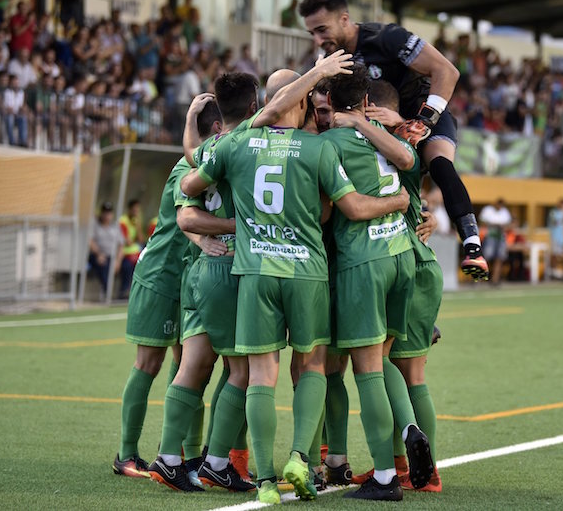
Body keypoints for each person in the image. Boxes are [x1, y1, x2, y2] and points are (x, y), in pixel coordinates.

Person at [181, 53, 412, 504]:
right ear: (303, 101)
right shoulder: (320, 148)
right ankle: (300, 458)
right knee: (312, 366)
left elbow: (191, 187)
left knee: (260, 375)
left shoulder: (239, 142)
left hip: (256, 271)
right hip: (307, 271)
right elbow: (340, 208)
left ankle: (265, 480)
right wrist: (400, 202)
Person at [299, 0, 489, 281]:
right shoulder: (330, 60)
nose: (318, 39)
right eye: (312, 33)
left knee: (439, 164)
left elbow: (446, 71)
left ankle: (472, 244)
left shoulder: (386, 37)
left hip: (422, 114)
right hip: (377, 126)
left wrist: (421, 121)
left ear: (345, 19)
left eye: (322, 29)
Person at [321, 65, 434, 501]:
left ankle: (385, 477)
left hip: (362, 260)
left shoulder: (327, 142)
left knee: (365, 369)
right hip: (401, 255)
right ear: (367, 102)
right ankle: (408, 428)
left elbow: (341, 209)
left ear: (330, 105)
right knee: (383, 358)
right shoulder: (382, 134)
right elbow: (408, 160)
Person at [112, 97, 234, 481]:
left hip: (190, 276)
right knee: (148, 364)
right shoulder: (190, 165)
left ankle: (188, 455)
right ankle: (127, 454)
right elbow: (186, 221)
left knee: (190, 366)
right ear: (218, 130)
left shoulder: (212, 163)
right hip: (161, 274)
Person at [148, 81, 259, 493]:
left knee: (193, 366)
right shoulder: (244, 149)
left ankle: (170, 458)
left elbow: (188, 212)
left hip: (199, 271)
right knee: (243, 370)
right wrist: (238, 226)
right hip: (225, 270)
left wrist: (187, 130)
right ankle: (215, 461)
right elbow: (187, 221)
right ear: (251, 106)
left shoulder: (199, 156)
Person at [367, 79, 444, 492]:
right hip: (416, 262)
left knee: (391, 368)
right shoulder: (400, 138)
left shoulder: (389, 136)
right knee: (401, 370)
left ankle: (421, 471)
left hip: (403, 261)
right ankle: (415, 469)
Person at [88, 201, 125, 298]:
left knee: (127, 266)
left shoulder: (115, 226)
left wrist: (118, 261)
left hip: (112, 256)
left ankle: (122, 293)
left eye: (109, 212)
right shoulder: (95, 225)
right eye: (105, 212)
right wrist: (98, 254)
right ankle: (108, 292)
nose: (106, 215)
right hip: (98, 255)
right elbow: (90, 241)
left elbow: (121, 245)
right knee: (103, 264)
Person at [479, 198, 511, 285]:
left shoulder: (505, 212)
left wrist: (503, 226)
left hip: (500, 237)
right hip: (490, 236)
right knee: (486, 257)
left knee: (499, 258)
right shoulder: (488, 210)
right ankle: (481, 278)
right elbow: (482, 222)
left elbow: (508, 224)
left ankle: (495, 279)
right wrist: (493, 224)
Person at [547, 199, 563, 280]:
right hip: (555, 236)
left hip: (562, 237)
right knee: (555, 255)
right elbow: (554, 222)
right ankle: (553, 271)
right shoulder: (553, 212)